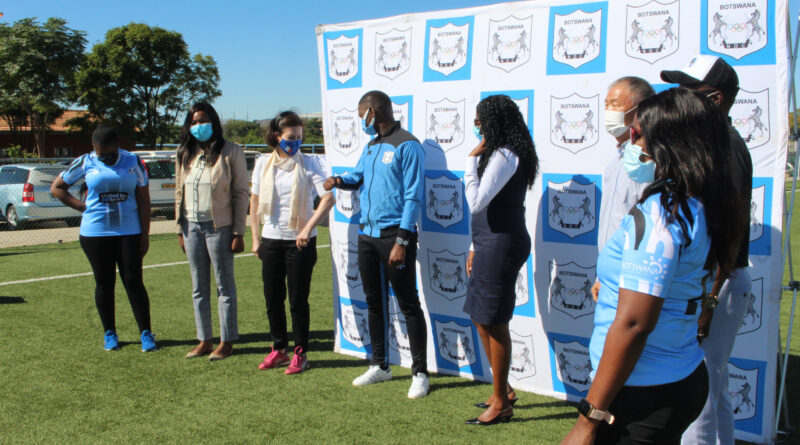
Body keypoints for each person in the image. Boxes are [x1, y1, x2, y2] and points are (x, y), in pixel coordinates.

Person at [561, 87, 746, 445]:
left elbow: (633, 324)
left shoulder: (663, 214)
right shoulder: (708, 200)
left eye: (636, 133)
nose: (630, 141)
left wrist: (588, 419)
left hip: (642, 393)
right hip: (678, 376)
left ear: (668, 142)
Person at [660, 56, 753, 445]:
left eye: (688, 90)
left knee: (698, 398)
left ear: (714, 98)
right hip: (716, 282)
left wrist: (709, 300)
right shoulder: (714, 144)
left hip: (717, 282)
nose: (679, 98)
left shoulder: (723, 148)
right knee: (713, 392)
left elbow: (728, 231)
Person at [323, 90, 430, 399]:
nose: (362, 122)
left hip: (395, 237)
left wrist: (402, 240)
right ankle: (380, 364)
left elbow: (413, 197)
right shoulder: (371, 146)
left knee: (408, 303)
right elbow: (359, 176)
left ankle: (420, 372)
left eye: (362, 116)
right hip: (366, 235)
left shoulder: (408, 145)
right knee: (374, 301)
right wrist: (340, 180)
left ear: (373, 111)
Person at [462, 95, 538, 425]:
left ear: (495, 120)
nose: (476, 124)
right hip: (487, 242)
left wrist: (469, 160)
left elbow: (477, 202)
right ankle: (502, 389)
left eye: (480, 119)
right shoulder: (500, 152)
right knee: (480, 317)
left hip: (502, 244)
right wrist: (474, 245)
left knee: (494, 320)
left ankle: (500, 402)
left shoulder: (507, 154)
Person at [51, 126, 157, 352]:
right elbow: (57, 188)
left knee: (133, 281)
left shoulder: (133, 162)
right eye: (101, 155)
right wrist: (82, 206)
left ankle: (146, 333)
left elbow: (144, 201)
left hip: (129, 232)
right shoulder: (85, 162)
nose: (105, 159)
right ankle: (110, 333)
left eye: (109, 154)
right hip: (95, 234)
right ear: (94, 149)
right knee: (104, 283)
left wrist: (145, 235)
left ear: (117, 147)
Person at [250, 111, 335, 375]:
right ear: (276, 136)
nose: (295, 142)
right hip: (271, 240)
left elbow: (328, 199)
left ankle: (300, 353)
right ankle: (278, 349)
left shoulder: (310, 163)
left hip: (300, 244)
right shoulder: (263, 163)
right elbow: (253, 203)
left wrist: (307, 228)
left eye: (299, 137)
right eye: (290, 137)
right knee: (273, 298)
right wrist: (255, 238)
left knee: (298, 300)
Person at [175, 102, 249, 361]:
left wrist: (239, 232)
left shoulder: (231, 151)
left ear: (214, 122)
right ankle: (204, 339)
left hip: (221, 228)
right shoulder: (185, 153)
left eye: (203, 121)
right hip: (191, 227)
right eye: (194, 122)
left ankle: (226, 341)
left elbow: (241, 193)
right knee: (198, 286)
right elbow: (178, 192)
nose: (199, 126)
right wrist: (179, 227)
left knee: (224, 286)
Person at [592, 77, 656, 301]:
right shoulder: (615, 161)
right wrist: (602, 274)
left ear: (640, 109)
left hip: (633, 280)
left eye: (616, 105)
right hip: (609, 275)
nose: (609, 111)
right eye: (606, 104)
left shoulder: (645, 164)